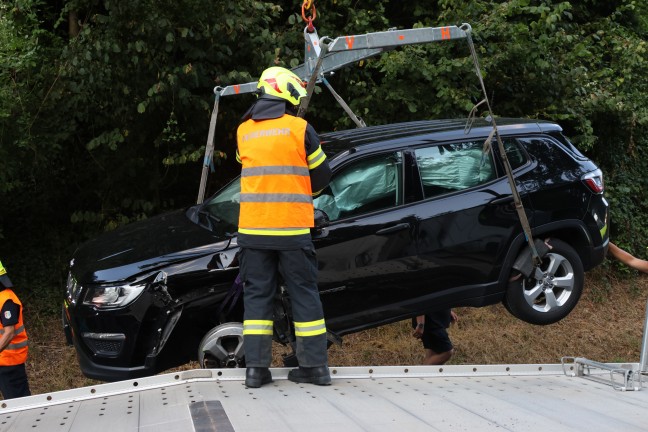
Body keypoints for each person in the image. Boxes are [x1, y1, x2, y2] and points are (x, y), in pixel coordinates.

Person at [236, 66, 332, 388]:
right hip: (292, 230)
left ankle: (255, 371)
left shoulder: (243, 131)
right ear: (285, 92)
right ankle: (315, 368)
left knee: (257, 298)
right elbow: (321, 177)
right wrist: (307, 193)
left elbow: (249, 165)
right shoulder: (300, 128)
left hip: (253, 231)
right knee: (304, 295)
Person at [0, 260, 31, 399]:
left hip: (9, 363)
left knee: (17, 402)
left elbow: (9, 332)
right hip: (3, 360)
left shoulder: (7, 300)